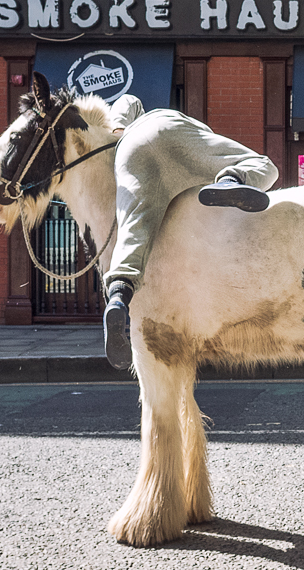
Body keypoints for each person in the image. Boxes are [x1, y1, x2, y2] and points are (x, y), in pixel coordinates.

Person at [102, 94, 279, 369]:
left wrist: (118, 128)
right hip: (169, 131)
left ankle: (118, 296)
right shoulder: (164, 115)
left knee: (134, 230)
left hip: (129, 151)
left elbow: (126, 100)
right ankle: (230, 179)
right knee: (263, 165)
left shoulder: (129, 123)